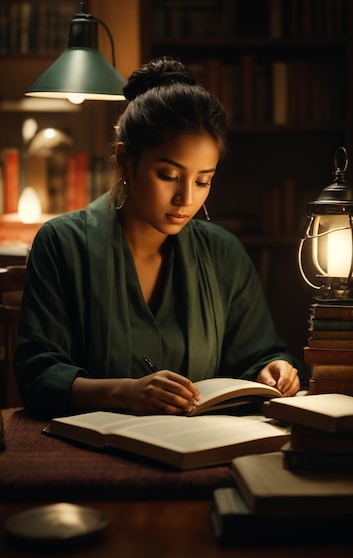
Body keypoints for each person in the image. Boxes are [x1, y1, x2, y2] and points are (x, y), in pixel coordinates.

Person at [14, 56, 305, 419]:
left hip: (199, 449)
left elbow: (258, 353)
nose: (186, 198)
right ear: (125, 161)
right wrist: (125, 392)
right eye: (168, 175)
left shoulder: (222, 252)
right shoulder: (62, 244)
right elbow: (38, 376)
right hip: (92, 454)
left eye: (203, 181)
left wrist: (273, 367)